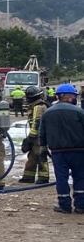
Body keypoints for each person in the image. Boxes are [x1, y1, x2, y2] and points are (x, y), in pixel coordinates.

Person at [39, 83, 84, 213]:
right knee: (80, 177)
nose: (74, 98)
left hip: (58, 152)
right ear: (68, 96)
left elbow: (42, 132)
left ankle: (64, 205)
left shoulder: (48, 113)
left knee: (61, 178)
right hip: (79, 151)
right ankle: (81, 205)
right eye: (73, 96)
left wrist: (42, 147)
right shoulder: (79, 112)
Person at [19, 86, 50, 184]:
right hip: (36, 136)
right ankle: (28, 176)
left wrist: (31, 137)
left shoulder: (38, 106)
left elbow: (37, 123)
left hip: (39, 137)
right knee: (32, 156)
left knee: (41, 155)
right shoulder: (36, 105)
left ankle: (43, 177)